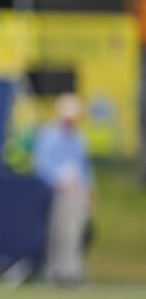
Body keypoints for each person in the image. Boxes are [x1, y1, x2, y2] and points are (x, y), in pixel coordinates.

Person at [33, 93, 96, 286]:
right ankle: (55, 271)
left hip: (77, 191)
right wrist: (59, 180)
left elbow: (84, 166)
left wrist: (89, 189)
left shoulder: (79, 137)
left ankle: (72, 271)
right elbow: (42, 164)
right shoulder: (49, 135)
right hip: (56, 191)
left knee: (75, 232)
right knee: (58, 232)